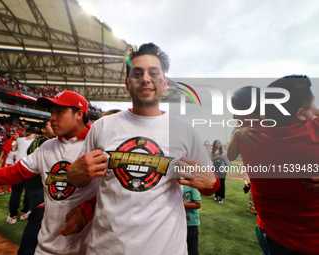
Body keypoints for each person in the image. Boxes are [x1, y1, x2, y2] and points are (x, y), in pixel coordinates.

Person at [67, 43, 219, 255]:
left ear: (164, 83)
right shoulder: (103, 126)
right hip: (106, 249)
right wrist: (73, 175)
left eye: (153, 73)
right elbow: (83, 180)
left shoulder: (184, 131)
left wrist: (210, 183)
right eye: (137, 73)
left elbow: (210, 182)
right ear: (127, 83)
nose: (146, 78)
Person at [0, 90, 107, 254]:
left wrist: (89, 208)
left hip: (87, 248)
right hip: (46, 246)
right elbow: (14, 172)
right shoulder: (47, 146)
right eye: (52, 112)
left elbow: (115, 191)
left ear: (79, 114)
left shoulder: (98, 144)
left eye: (59, 112)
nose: (52, 118)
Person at [229, 75, 319, 255]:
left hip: (273, 234)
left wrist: (238, 135)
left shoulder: (246, 139)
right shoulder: (312, 130)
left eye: (239, 111)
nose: (234, 116)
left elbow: (231, 155)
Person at [18, 120, 55, 255]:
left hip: (34, 186)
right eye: (50, 125)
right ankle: (26, 252)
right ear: (44, 130)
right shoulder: (44, 143)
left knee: (38, 220)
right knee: (37, 220)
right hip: (38, 186)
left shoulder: (37, 141)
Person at [227, 85, 260, 214]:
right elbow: (231, 156)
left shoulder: (275, 125)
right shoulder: (239, 131)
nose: (234, 117)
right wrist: (236, 135)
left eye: (238, 112)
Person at [6, 127, 36, 224]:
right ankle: (24, 212)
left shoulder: (19, 140)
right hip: (29, 169)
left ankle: (12, 216)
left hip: (18, 168)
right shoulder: (38, 140)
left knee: (16, 192)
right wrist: (35, 135)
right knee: (28, 192)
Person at [0, 131, 23, 196]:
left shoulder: (22, 142)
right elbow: (4, 149)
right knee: (3, 174)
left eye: (16, 135)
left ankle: (9, 188)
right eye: (14, 134)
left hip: (16, 161)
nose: (15, 136)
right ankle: (1, 189)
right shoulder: (9, 141)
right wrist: (0, 157)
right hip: (8, 160)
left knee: (12, 175)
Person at [183, 186, 201, 255]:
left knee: (192, 250)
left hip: (191, 224)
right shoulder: (178, 184)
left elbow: (198, 204)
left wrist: (181, 204)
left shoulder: (192, 186)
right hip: (180, 222)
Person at [211, 140, 227, 205]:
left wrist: (223, 158)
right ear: (214, 144)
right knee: (216, 182)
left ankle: (221, 197)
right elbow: (210, 160)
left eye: (219, 143)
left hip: (222, 167)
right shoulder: (212, 152)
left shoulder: (223, 151)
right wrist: (215, 158)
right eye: (216, 143)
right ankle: (216, 195)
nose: (218, 144)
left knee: (222, 182)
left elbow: (228, 159)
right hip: (216, 166)